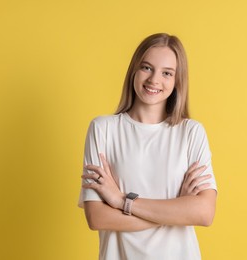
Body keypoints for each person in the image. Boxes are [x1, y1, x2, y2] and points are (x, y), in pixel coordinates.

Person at [78, 33, 217, 260]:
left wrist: (122, 201)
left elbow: (204, 213)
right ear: (134, 70)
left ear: (177, 80)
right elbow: (97, 218)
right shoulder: (103, 129)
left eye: (167, 73)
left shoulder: (191, 133)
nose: (154, 80)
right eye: (146, 68)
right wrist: (177, 211)